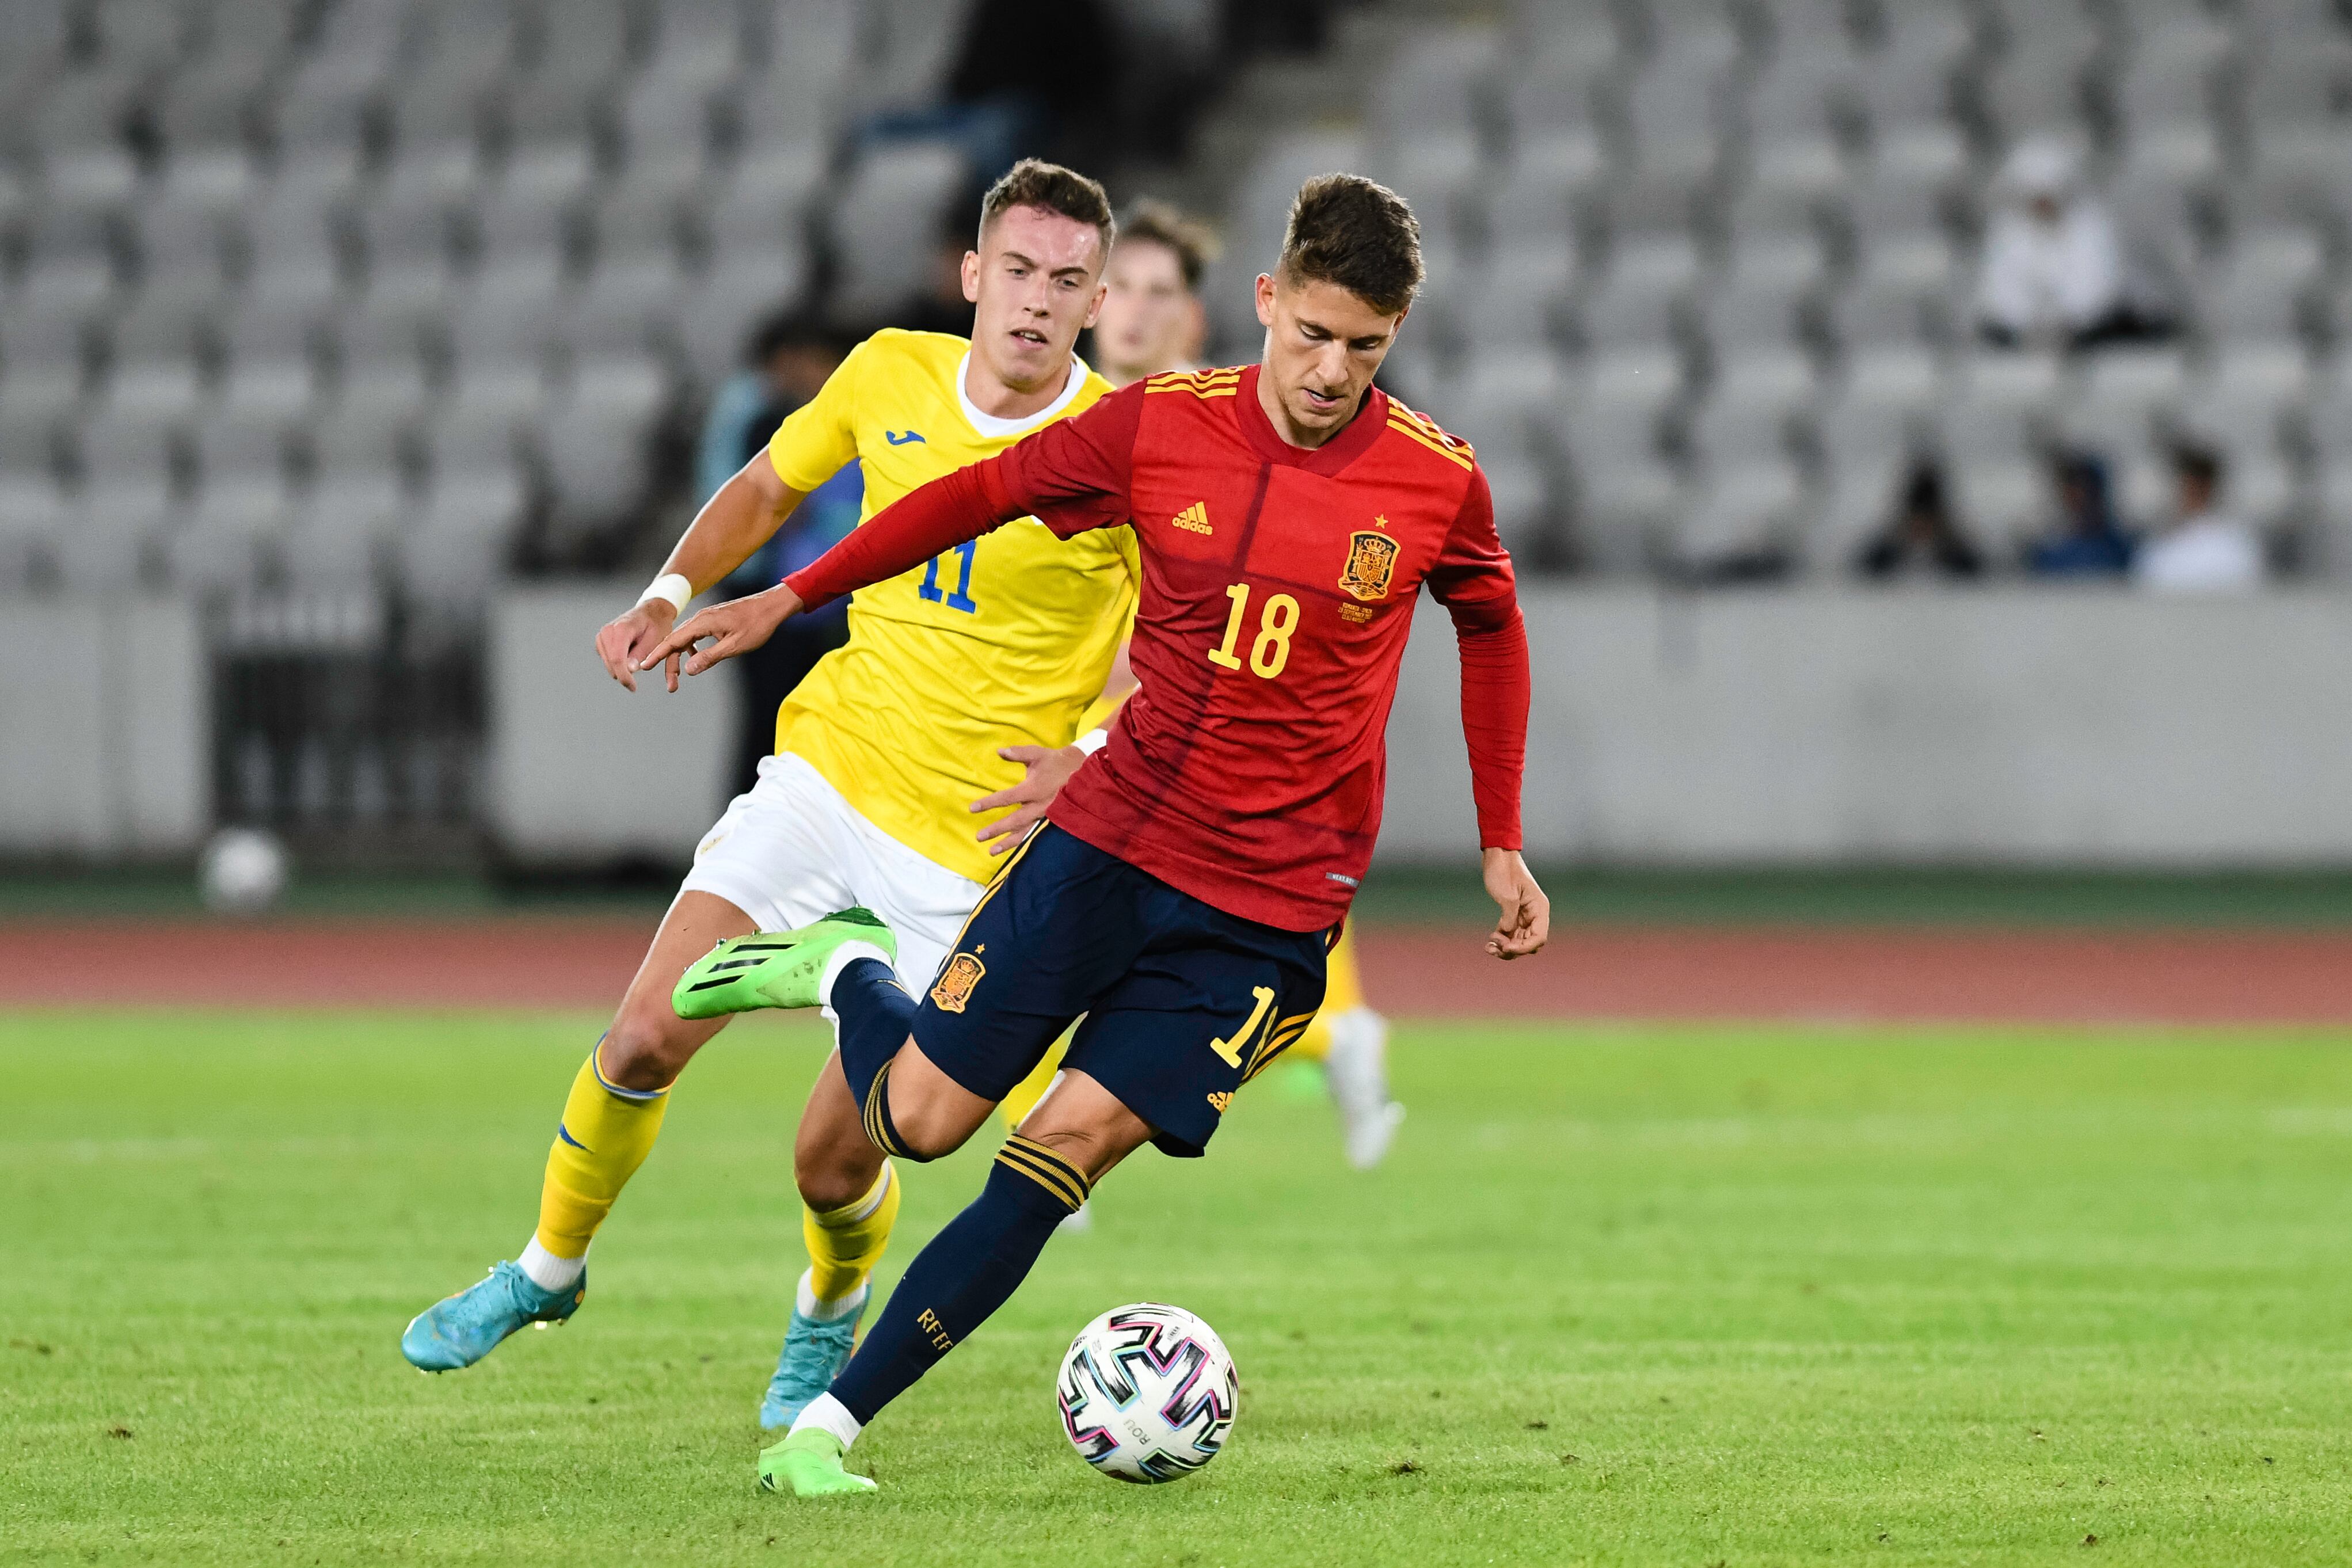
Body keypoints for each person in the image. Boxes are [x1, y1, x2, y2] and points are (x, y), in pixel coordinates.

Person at [644, 173, 1547, 1497]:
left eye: (1363, 347)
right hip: (1106, 844)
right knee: (920, 1121)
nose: (1328, 370)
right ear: (1264, 303)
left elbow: (1492, 626)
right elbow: (967, 499)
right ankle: (845, 973)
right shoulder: (1156, 427)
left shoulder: (1431, 479)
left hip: (1264, 911)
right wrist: (789, 593)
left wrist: (1499, 834)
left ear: (1395, 335)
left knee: (1057, 1150)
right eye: (1309, 334)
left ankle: (825, 1431)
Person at [398, 162, 1141, 1444]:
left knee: (845, 1158)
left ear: (1095, 300)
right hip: (829, 775)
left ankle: (824, 1312)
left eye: (1064, 282)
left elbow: (1166, 634)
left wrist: (1090, 747)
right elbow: (766, 489)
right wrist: (668, 594)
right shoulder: (889, 369)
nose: (1034, 302)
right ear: (973, 275)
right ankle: (546, 1271)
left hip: (973, 851)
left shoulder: (1126, 445)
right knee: (639, 1035)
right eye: (1015, 272)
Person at [1002, 200, 1405, 1177]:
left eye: (1161, 292)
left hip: (1175, 716)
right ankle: (1333, 1034)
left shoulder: (1229, 431)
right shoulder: (1075, 420)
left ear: (1197, 315)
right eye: (1121, 290)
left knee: (1197, 918)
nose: (1135, 312)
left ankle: (1324, 1034)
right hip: (1068, 701)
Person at [705, 314, 862, 796]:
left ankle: (746, 820)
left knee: (768, 710)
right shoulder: (766, 413)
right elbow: (779, 504)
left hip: (747, 570)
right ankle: (751, 816)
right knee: (773, 710)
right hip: (763, 578)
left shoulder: (739, 405)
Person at [1974, 138, 2141, 351]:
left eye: (2048, 196)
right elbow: (1998, 293)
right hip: (2021, 337)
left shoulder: (2092, 228)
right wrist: (2030, 322)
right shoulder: (2007, 232)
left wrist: (2066, 321)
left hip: (2091, 334)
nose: (2042, 205)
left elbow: (2100, 289)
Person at [2134, 442, 2264, 594]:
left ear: (2209, 487)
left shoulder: (2237, 546)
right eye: (2187, 485)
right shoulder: (2159, 548)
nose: (2191, 492)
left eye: (2197, 486)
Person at [1854, 460, 1984, 581]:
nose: (1923, 529)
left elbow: (1975, 572)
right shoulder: (1886, 554)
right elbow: (1864, 570)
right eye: (1918, 521)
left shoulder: (1957, 557)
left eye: (1928, 522)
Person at [2024, 450, 2134, 578]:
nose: (2080, 506)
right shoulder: (2049, 555)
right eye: (2072, 498)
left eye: (2088, 496)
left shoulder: (2124, 551)